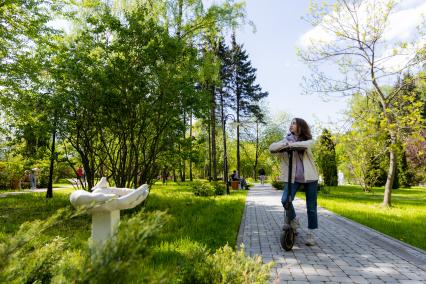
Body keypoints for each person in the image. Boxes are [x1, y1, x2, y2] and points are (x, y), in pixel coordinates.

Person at [269, 118, 319, 246]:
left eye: (294, 123)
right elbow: (272, 147)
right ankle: (294, 220)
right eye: (291, 123)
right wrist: (283, 145)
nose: (291, 125)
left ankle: (311, 233)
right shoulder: (286, 140)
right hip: (292, 178)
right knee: (285, 200)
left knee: (311, 207)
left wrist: (289, 146)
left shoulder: (308, 141)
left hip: (310, 178)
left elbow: (306, 145)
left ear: (300, 126)